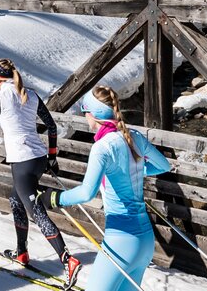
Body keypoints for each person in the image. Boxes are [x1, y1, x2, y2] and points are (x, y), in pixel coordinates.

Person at [38, 86, 172, 291]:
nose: (85, 118)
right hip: (145, 240)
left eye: (85, 113)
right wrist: (132, 172)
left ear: (92, 114)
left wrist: (54, 198)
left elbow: (86, 192)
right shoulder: (134, 135)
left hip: (122, 241)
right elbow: (164, 165)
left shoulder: (102, 147)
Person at [0, 58, 81, 280]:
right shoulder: (31, 94)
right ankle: (22, 252)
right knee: (16, 200)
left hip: (22, 162)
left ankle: (68, 260)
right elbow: (52, 126)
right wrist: (52, 158)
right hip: (39, 159)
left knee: (36, 211)